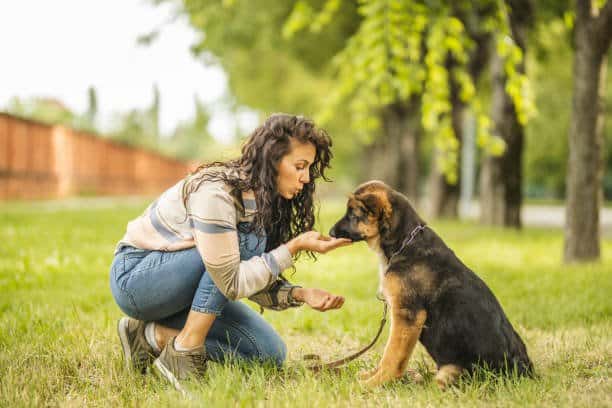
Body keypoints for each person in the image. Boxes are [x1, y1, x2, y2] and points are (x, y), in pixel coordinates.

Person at [109, 113, 352, 389]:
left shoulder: (260, 203)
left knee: (268, 354)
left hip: (186, 289)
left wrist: (301, 294)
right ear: (273, 159)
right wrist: (293, 247)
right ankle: (185, 351)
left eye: (309, 168)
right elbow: (231, 280)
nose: (307, 178)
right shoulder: (217, 192)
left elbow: (246, 274)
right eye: (299, 166)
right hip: (137, 281)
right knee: (242, 243)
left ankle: (150, 336)